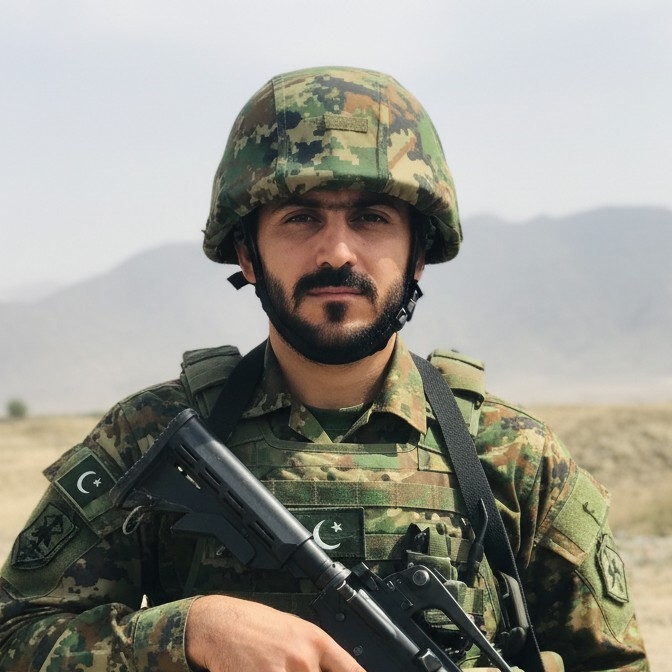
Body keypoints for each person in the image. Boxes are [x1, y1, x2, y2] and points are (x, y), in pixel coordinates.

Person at [0, 66, 648, 672]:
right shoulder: (150, 435)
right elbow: (14, 634)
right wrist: (190, 632)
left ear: (418, 254)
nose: (336, 252)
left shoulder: (513, 457)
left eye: (371, 218)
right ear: (247, 254)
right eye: (301, 218)